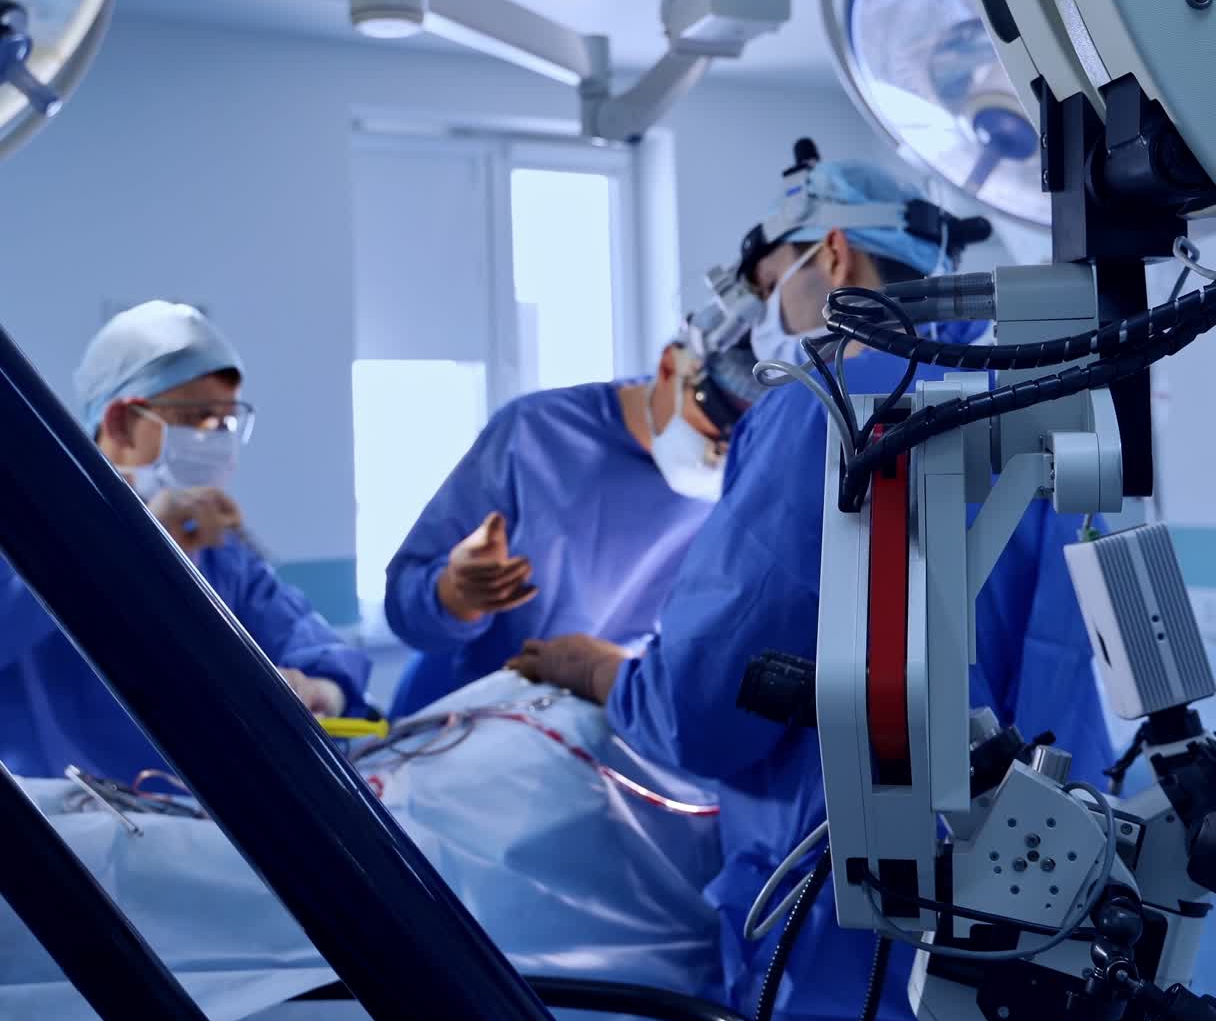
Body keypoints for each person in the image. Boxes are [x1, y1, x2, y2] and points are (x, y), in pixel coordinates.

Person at [510, 156, 1114, 1021]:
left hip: (848, 952)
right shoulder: (1037, 396)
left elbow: (707, 703)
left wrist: (602, 672)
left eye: (768, 287)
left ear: (833, 255)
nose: (770, 320)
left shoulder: (818, 407)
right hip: (1046, 912)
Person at [0, 301, 372, 781]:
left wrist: (323, 689)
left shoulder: (217, 552)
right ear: (119, 423)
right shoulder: (31, 538)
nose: (216, 439)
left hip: (200, 832)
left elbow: (314, 644)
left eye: (225, 423)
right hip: (68, 832)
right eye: (197, 419)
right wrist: (124, 545)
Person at [385, 340, 758, 717]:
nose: (724, 452)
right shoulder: (534, 433)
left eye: (749, 436)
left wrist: (617, 675)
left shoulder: (750, 482)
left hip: (622, 732)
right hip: (488, 725)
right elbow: (405, 606)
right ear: (670, 367)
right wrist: (456, 594)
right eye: (718, 421)